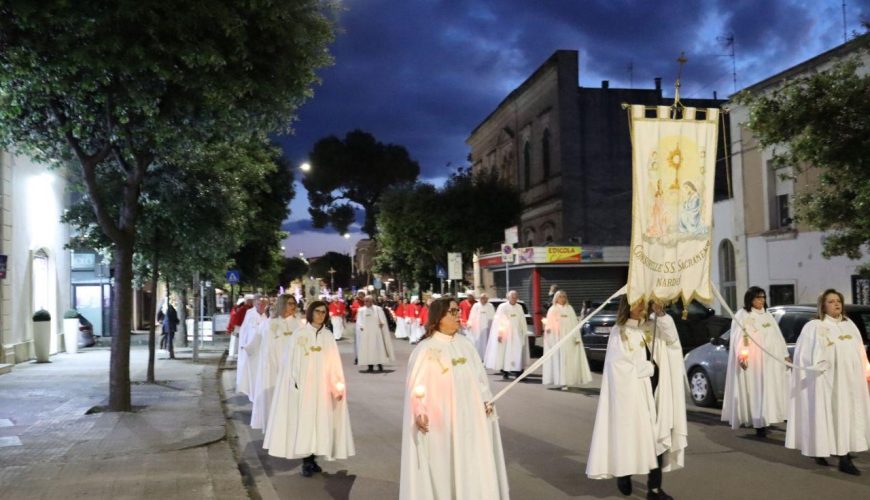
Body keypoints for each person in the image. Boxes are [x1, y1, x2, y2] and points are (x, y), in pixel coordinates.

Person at [399, 297, 509, 499]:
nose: (459, 315)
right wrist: (419, 411)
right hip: (444, 423)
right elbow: (417, 387)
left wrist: (486, 400)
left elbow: (480, 378)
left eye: (458, 311)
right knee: (446, 467)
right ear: (439, 317)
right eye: (453, 311)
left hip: (472, 419)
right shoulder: (426, 349)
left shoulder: (466, 345)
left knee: (472, 461)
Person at [586, 296, 687, 500]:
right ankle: (625, 472)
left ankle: (654, 489)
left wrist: (661, 314)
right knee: (633, 437)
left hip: (657, 390)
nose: (641, 307)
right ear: (627, 307)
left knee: (657, 439)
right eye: (636, 303)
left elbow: (672, 339)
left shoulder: (652, 325)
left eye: (644, 303)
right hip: (633, 395)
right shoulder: (620, 331)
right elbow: (617, 366)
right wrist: (642, 368)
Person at [785, 288, 870, 476]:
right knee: (828, 417)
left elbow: (859, 352)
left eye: (838, 300)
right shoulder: (814, 327)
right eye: (831, 301)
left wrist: (865, 370)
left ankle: (843, 453)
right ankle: (840, 457)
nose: (836, 304)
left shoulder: (849, 325)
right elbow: (803, 355)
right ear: (823, 305)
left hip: (849, 383)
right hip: (826, 383)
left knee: (847, 417)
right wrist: (818, 363)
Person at [264, 301, 355, 475]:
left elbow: (334, 363)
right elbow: (290, 363)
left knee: (320, 422)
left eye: (324, 312)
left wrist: (337, 386)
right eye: (318, 312)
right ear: (311, 313)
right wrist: (294, 383)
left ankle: (314, 458)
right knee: (305, 423)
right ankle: (306, 461)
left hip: (322, 389)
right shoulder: (299, 334)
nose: (321, 315)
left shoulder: (328, 336)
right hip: (303, 389)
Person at [721, 287, 790, 437]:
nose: (761, 301)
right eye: (758, 298)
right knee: (758, 390)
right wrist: (743, 356)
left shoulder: (767, 315)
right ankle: (759, 423)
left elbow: (777, 336)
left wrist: (784, 354)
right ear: (750, 299)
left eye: (763, 298)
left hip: (772, 361)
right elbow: (740, 337)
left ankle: (771, 416)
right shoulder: (743, 315)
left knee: (772, 390)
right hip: (756, 362)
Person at [250, 295, 301, 431]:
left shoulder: (299, 324)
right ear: (282, 304)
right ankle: (273, 428)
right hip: (271, 369)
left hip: (292, 369)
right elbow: (255, 342)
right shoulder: (269, 324)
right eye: (290, 303)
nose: (293, 306)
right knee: (272, 398)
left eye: (294, 304)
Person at [543, 291, 592, 388]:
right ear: (556, 298)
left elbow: (575, 324)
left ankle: (568, 379)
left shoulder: (570, 309)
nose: (562, 298)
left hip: (569, 339)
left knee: (568, 360)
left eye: (564, 296)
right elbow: (549, 324)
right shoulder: (552, 309)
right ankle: (561, 381)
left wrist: (577, 337)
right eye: (560, 297)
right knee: (560, 359)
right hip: (557, 338)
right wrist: (549, 332)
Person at [484, 290, 530, 379]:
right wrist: (500, 334)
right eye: (512, 297)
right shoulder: (503, 307)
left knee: (518, 352)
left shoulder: (519, 307)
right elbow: (499, 321)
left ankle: (519, 372)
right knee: (505, 352)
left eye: (516, 297)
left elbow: (522, 320)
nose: (514, 299)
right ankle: (505, 372)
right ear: (508, 297)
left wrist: (524, 332)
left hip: (517, 334)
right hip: (506, 334)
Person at [237, 296, 269, 401]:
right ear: (255, 303)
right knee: (252, 373)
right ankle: (253, 394)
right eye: (259, 303)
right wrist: (244, 345)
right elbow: (245, 331)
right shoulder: (250, 314)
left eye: (264, 304)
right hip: (252, 349)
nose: (262, 306)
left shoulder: (267, 315)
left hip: (263, 349)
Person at [355, 295, 395, 372]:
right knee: (368, 350)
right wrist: (361, 326)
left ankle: (380, 365)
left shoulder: (378, 309)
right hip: (366, 334)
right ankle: (370, 367)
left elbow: (382, 320)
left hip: (377, 333)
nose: (366, 302)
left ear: (371, 301)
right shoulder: (361, 310)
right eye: (365, 301)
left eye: (367, 301)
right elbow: (359, 321)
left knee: (378, 349)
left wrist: (382, 323)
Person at [467, 293, 496, 360]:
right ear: (480, 299)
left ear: (487, 299)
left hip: (487, 328)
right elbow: (472, 316)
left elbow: (493, 317)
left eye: (485, 298)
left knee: (487, 343)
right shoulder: (476, 306)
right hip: (477, 329)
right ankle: (478, 357)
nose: (483, 300)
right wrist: (469, 324)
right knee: (478, 342)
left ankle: (487, 358)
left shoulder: (490, 306)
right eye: (482, 298)